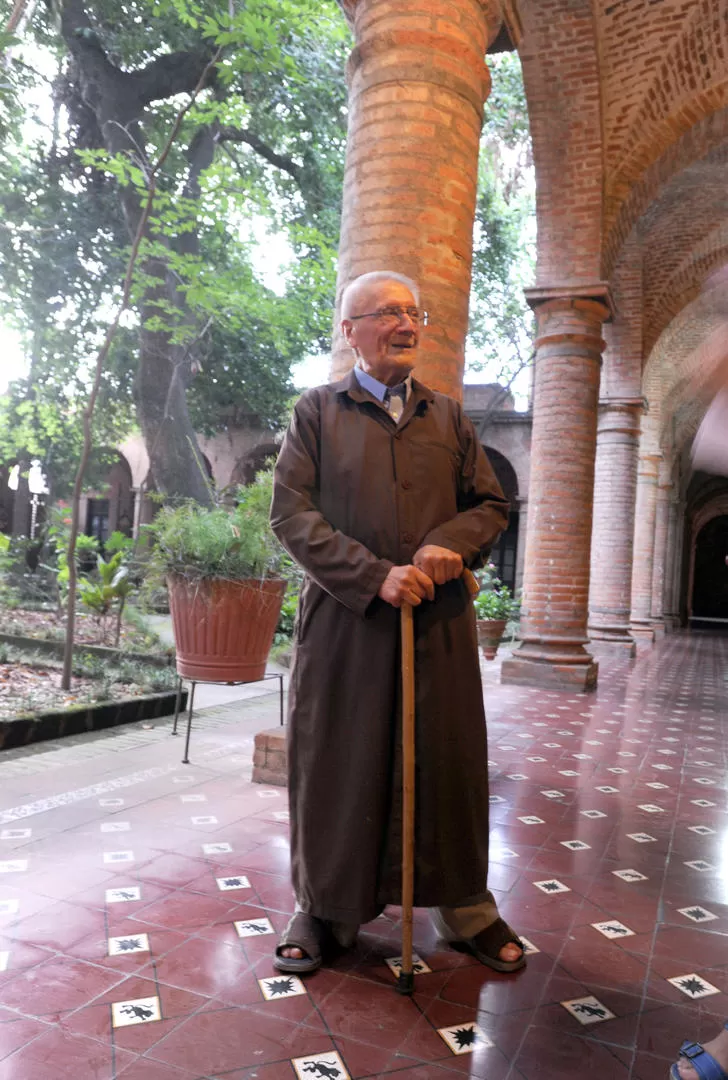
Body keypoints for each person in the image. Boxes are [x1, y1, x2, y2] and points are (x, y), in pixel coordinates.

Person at [269, 269, 525, 975]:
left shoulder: (448, 417)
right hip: (345, 625)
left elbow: (491, 506)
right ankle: (324, 910)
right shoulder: (316, 413)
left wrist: (451, 542)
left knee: (446, 763)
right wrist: (373, 574)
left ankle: (466, 910)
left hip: (436, 626)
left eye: (414, 312)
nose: (405, 323)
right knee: (336, 765)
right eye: (386, 312)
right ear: (349, 331)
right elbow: (289, 515)